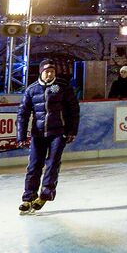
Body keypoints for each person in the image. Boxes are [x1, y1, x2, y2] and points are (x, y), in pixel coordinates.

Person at [16, 59, 80, 215]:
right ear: (41, 72)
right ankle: (28, 197)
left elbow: (74, 110)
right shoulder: (32, 90)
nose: (50, 74)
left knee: (52, 164)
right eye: (47, 71)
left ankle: (46, 194)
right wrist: (21, 136)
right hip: (38, 134)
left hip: (58, 133)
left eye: (52, 71)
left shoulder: (63, 87)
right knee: (34, 165)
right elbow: (23, 114)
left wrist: (72, 131)